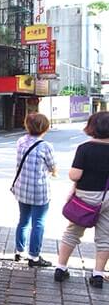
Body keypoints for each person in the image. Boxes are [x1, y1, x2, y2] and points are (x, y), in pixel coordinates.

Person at [55, 111, 109, 288]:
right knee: (105, 237)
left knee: (73, 232)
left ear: (92, 127)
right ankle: (98, 275)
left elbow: (75, 175)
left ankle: (61, 269)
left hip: (85, 197)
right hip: (107, 197)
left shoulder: (85, 148)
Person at [12, 112, 57, 267]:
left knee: (23, 220)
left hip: (22, 189)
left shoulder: (20, 141)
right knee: (38, 223)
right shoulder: (46, 146)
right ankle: (34, 257)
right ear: (45, 128)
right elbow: (52, 167)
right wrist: (53, 172)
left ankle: (19, 252)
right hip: (39, 192)